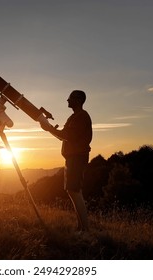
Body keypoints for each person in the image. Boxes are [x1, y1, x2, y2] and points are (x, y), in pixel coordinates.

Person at [41, 90, 92, 232]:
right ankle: (80, 228)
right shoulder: (74, 117)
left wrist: (49, 128)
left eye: (70, 98)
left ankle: (85, 230)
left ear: (79, 100)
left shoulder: (81, 116)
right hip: (72, 158)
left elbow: (68, 135)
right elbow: (63, 136)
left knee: (74, 191)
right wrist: (49, 129)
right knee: (72, 190)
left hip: (77, 158)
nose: (67, 100)